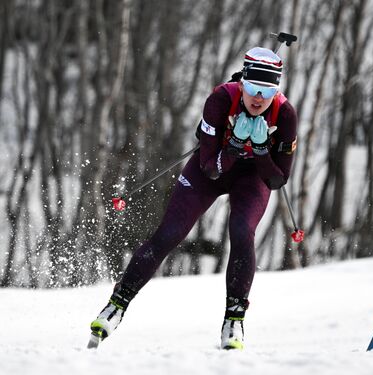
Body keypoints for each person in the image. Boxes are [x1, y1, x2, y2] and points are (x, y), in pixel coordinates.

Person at [89, 47, 298, 350]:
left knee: (242, 232)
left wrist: (263, 150)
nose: (258, 98)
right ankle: (116, 305)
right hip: (212, 167)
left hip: (253, 177)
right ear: (242, 84)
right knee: (170, 233)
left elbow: (277, 180)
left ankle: (234, 320)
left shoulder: (286, 114)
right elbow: (209, 169)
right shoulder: (221, 100)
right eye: (253, 88)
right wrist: (236, 144)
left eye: (268, 91)